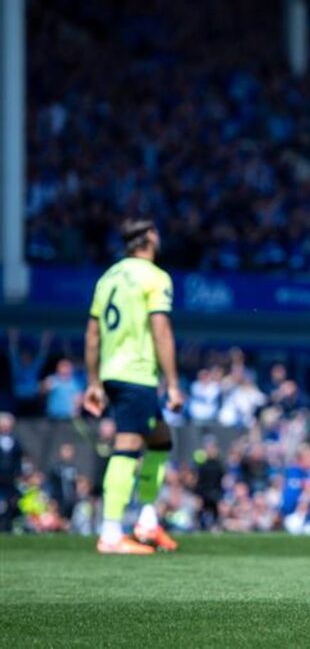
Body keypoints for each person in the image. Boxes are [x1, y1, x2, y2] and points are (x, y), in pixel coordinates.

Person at [83, 219, 185, 554]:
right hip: (136, 374)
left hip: (113, 372)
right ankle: (111, 532)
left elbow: (93, 334)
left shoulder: (108, 277)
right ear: (150, 238)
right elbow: (161, 330)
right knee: (127, 444)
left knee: (160, 439)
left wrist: (94, 382)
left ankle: (146, 521)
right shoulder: (154, 277)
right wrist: (172, 384)